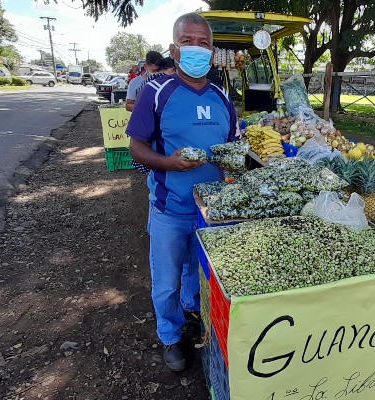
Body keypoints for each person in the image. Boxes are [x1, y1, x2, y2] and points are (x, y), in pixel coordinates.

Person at [126, 12, 238, 372]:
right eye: (188, 42)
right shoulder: (156, 92)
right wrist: (168, 163)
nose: (196, 49)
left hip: (213, 211)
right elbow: (136, 146)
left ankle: (195, 312)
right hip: (170, 207)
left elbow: (232, 146)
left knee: (201, 272)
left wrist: (233, 169)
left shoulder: (222, 97)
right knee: (167, 278)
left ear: (212, 50)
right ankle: (171, 336)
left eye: (203, 43)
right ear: (175, 50)